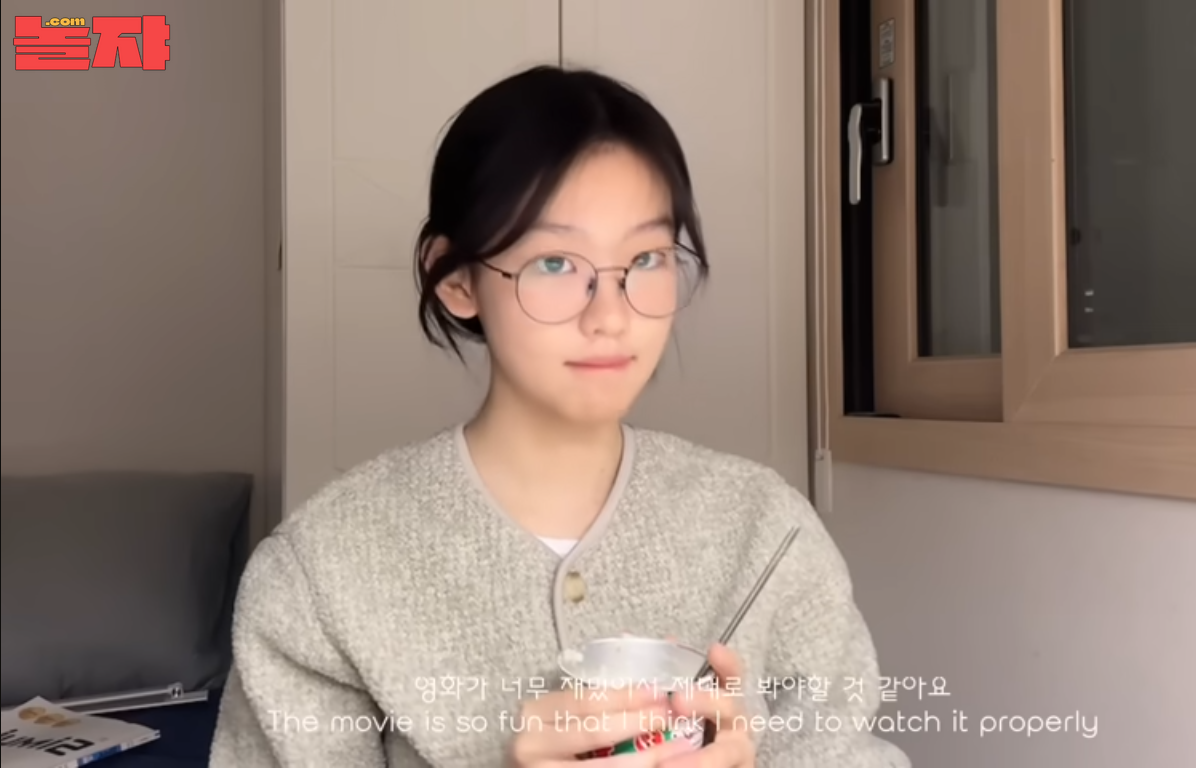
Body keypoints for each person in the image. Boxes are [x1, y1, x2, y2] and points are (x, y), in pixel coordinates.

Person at [207, 65, 910, 768]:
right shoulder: (321, 574)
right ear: (456, 278)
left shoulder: (766, 532)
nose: (611, 316)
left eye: (647, 257)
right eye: (554, 264)